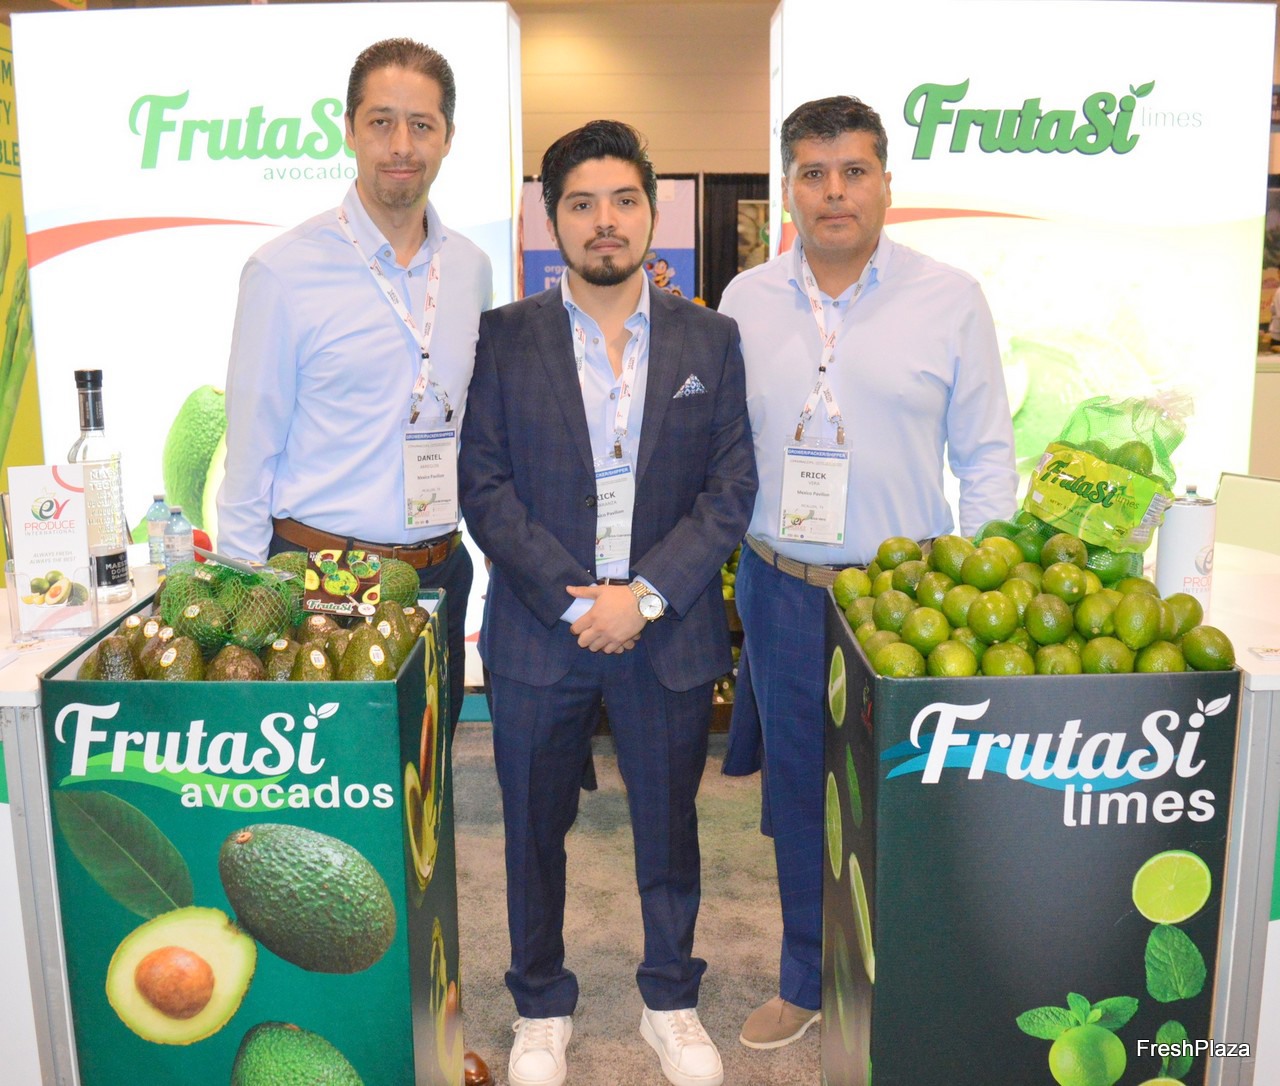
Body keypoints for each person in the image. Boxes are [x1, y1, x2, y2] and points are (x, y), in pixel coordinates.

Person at [459, 120, 757, 1086]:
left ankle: (670, 999)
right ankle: (540, 1005)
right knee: (531, 829)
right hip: (539, 633)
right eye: (581, 204)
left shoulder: (711, 337)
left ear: (652, 213)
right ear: (552, 221)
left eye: (624, 200)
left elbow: (730, 489)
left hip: (664, 633)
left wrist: (647, 596)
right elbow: (484, 485)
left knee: (671, 828)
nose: (605, 221)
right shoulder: (506, 337)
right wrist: (573, 601)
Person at [718, 95, 1017, 1049]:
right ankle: (806, 977)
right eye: (813, 174)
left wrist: (988, 595)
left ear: (886, 183)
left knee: (915, 796)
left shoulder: (950, 297)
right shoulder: (744, 300)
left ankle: (920, 974)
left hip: (907, 597)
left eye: (853, 171)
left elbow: (986, 456)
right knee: (799, 796)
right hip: (780, 586)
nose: (834, 192)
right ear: (789, 190)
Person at [217, 38, 491, 732]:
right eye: (380, 122)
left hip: (438, 572)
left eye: (421, 124)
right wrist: (242, 609)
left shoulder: (469, 268)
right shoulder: (283, 270)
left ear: (448, 137)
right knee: (334, 775)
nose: (401, 145)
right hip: (321, 577)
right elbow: (250, 453)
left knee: (426, 770)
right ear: (349, 129)